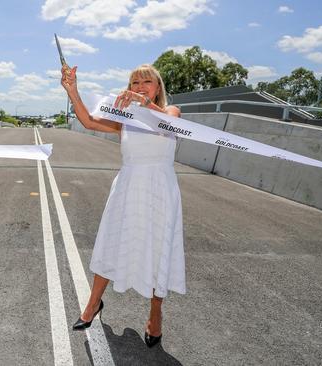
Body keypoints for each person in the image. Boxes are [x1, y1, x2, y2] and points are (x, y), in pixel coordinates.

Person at [60, 63, 186, 348]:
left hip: (159, 190)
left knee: (157, 252)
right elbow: (90, 121)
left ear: (158, 88)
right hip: (128, 185)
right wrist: (73, 91)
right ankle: (92, 306)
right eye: (135, 83)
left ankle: (155, 316)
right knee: (111, 243)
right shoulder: (126, 117)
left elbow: (171, 124)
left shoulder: (171, 111)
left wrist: (144, 104)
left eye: (147, 82)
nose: (141, 87)